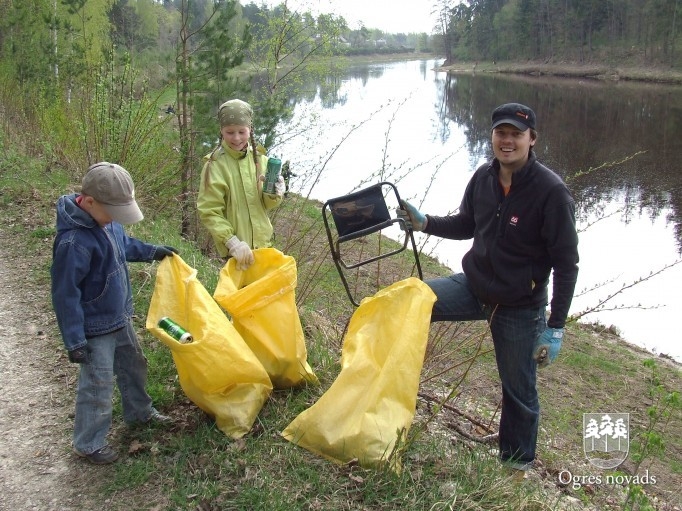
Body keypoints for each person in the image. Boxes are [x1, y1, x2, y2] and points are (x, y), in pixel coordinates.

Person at [398, 103, 579, 476]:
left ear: (532, 139)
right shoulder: (483, 177)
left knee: (518, 391)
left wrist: (555, 325)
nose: (507, 141)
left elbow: (566, 263)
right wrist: (425, 222)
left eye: (516, 134)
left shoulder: (551, 192)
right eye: (501, 133)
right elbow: (467, 223)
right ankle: (388, 403)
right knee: (408, 301)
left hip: (518, 306)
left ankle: (515, 469)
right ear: (493, 136)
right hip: (473, 285)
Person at [51, 162, 178, 465]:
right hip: (94, 329)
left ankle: (140, 411)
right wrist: (74, 341)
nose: (116, 221)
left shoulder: (108, 222)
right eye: (113, 213)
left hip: (119, 316)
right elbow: (65, 294)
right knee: (98, 383)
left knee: (134, 364)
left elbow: (124, 246)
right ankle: (88, 441)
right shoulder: (73, 243)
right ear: (90, 202)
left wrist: (152, 250)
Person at [197, 99, 285, 269]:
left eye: (241, 132)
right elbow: (209, 211)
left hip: (264, 247)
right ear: (221, 130)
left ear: (250, 130)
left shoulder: (260, 160)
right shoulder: (214, 165)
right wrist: (231, 241)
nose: (236, 138)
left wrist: (275, 193)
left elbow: (266, 204)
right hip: (236, 253)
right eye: (230, 132)